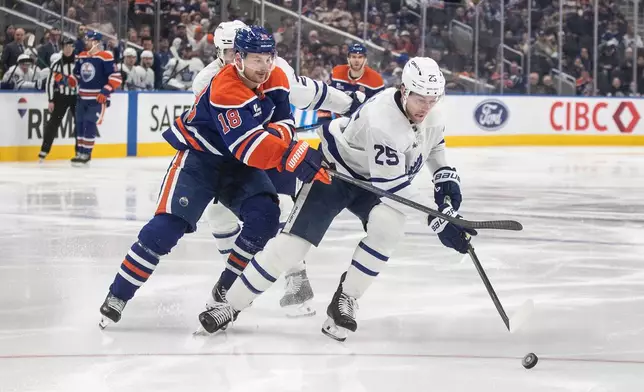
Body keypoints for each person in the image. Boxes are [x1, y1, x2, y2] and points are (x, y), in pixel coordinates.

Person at [197, 57, 475, 341]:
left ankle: (346, 299)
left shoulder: (433, 114)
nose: (426, 107)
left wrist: (444, 177)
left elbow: (434, 146)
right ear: (404, 90)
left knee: (388, 228)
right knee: (291, 247)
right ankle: (230, 305)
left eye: (432, 99)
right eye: (420, 98)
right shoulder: (382, 118)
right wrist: (439, 220)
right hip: (336, 173)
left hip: (375, 180)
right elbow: (391, 187)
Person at [98, 26, 330, 329]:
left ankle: (225, 289)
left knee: (266, 215)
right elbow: (248, 146)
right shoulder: (223, 86)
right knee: (166, 228)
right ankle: (118, 294)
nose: (263, 67)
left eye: (268, 58)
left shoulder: (276, 77)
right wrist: (290, 153)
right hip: (200, 160)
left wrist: (280, 142)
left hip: (239, 165)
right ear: (238, 57)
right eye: (255, 59)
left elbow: (285, 122)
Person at [192, 20, 366, 318]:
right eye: (232, 50)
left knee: (283, 207)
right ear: (223, 52)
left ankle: (297, 281)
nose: (242, 56)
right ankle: (234, 277)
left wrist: (349, 104)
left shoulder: (272, 67)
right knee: (218, 215)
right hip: (238, 158)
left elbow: (309, 93)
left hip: (276, 150)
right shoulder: (207, 81)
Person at [72, 30, 122, 166]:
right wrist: (67, 80)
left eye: (88, 40)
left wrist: (105, 92)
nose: (86, 42)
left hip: (96, 99)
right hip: (82, 98)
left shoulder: (106, 56)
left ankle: (87, 153)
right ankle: (80, 151)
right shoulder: (81, 56)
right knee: (80, 125)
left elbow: (115, 77)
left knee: (89, 124)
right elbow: (77, 76)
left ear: (96, 42)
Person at [319, 43, 384, 119]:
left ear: (365, 60)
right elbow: (327, 96)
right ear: (348, 59)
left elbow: (379, 107)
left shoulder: (376, 80)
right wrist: (324, 120)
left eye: (360, 57)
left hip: (362, 123)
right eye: (353, 57)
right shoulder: (336, 72)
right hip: (337, 121)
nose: (357, 60)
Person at [39, 38, 78, 161]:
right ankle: (44, 150)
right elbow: (50, 83)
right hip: (60, 98)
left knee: (80, 124)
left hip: (76, 98)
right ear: (62, 48)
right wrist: (51, 100)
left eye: (70, 46)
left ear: (73, 48)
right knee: (53, 124)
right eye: (66, 46)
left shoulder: (79, 63)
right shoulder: (56, 64)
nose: (68, 49)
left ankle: (80, 151)